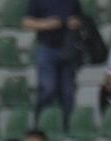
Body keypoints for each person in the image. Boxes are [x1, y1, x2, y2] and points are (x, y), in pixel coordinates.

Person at [24, 0, 83, 131]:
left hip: (67, 48)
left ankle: (67, 127)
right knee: (48, 88)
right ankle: (38, 122)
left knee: (68, 92)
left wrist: (76, 22)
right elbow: (27, 22)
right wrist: (47, 24)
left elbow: (80, 18)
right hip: (47, 48)